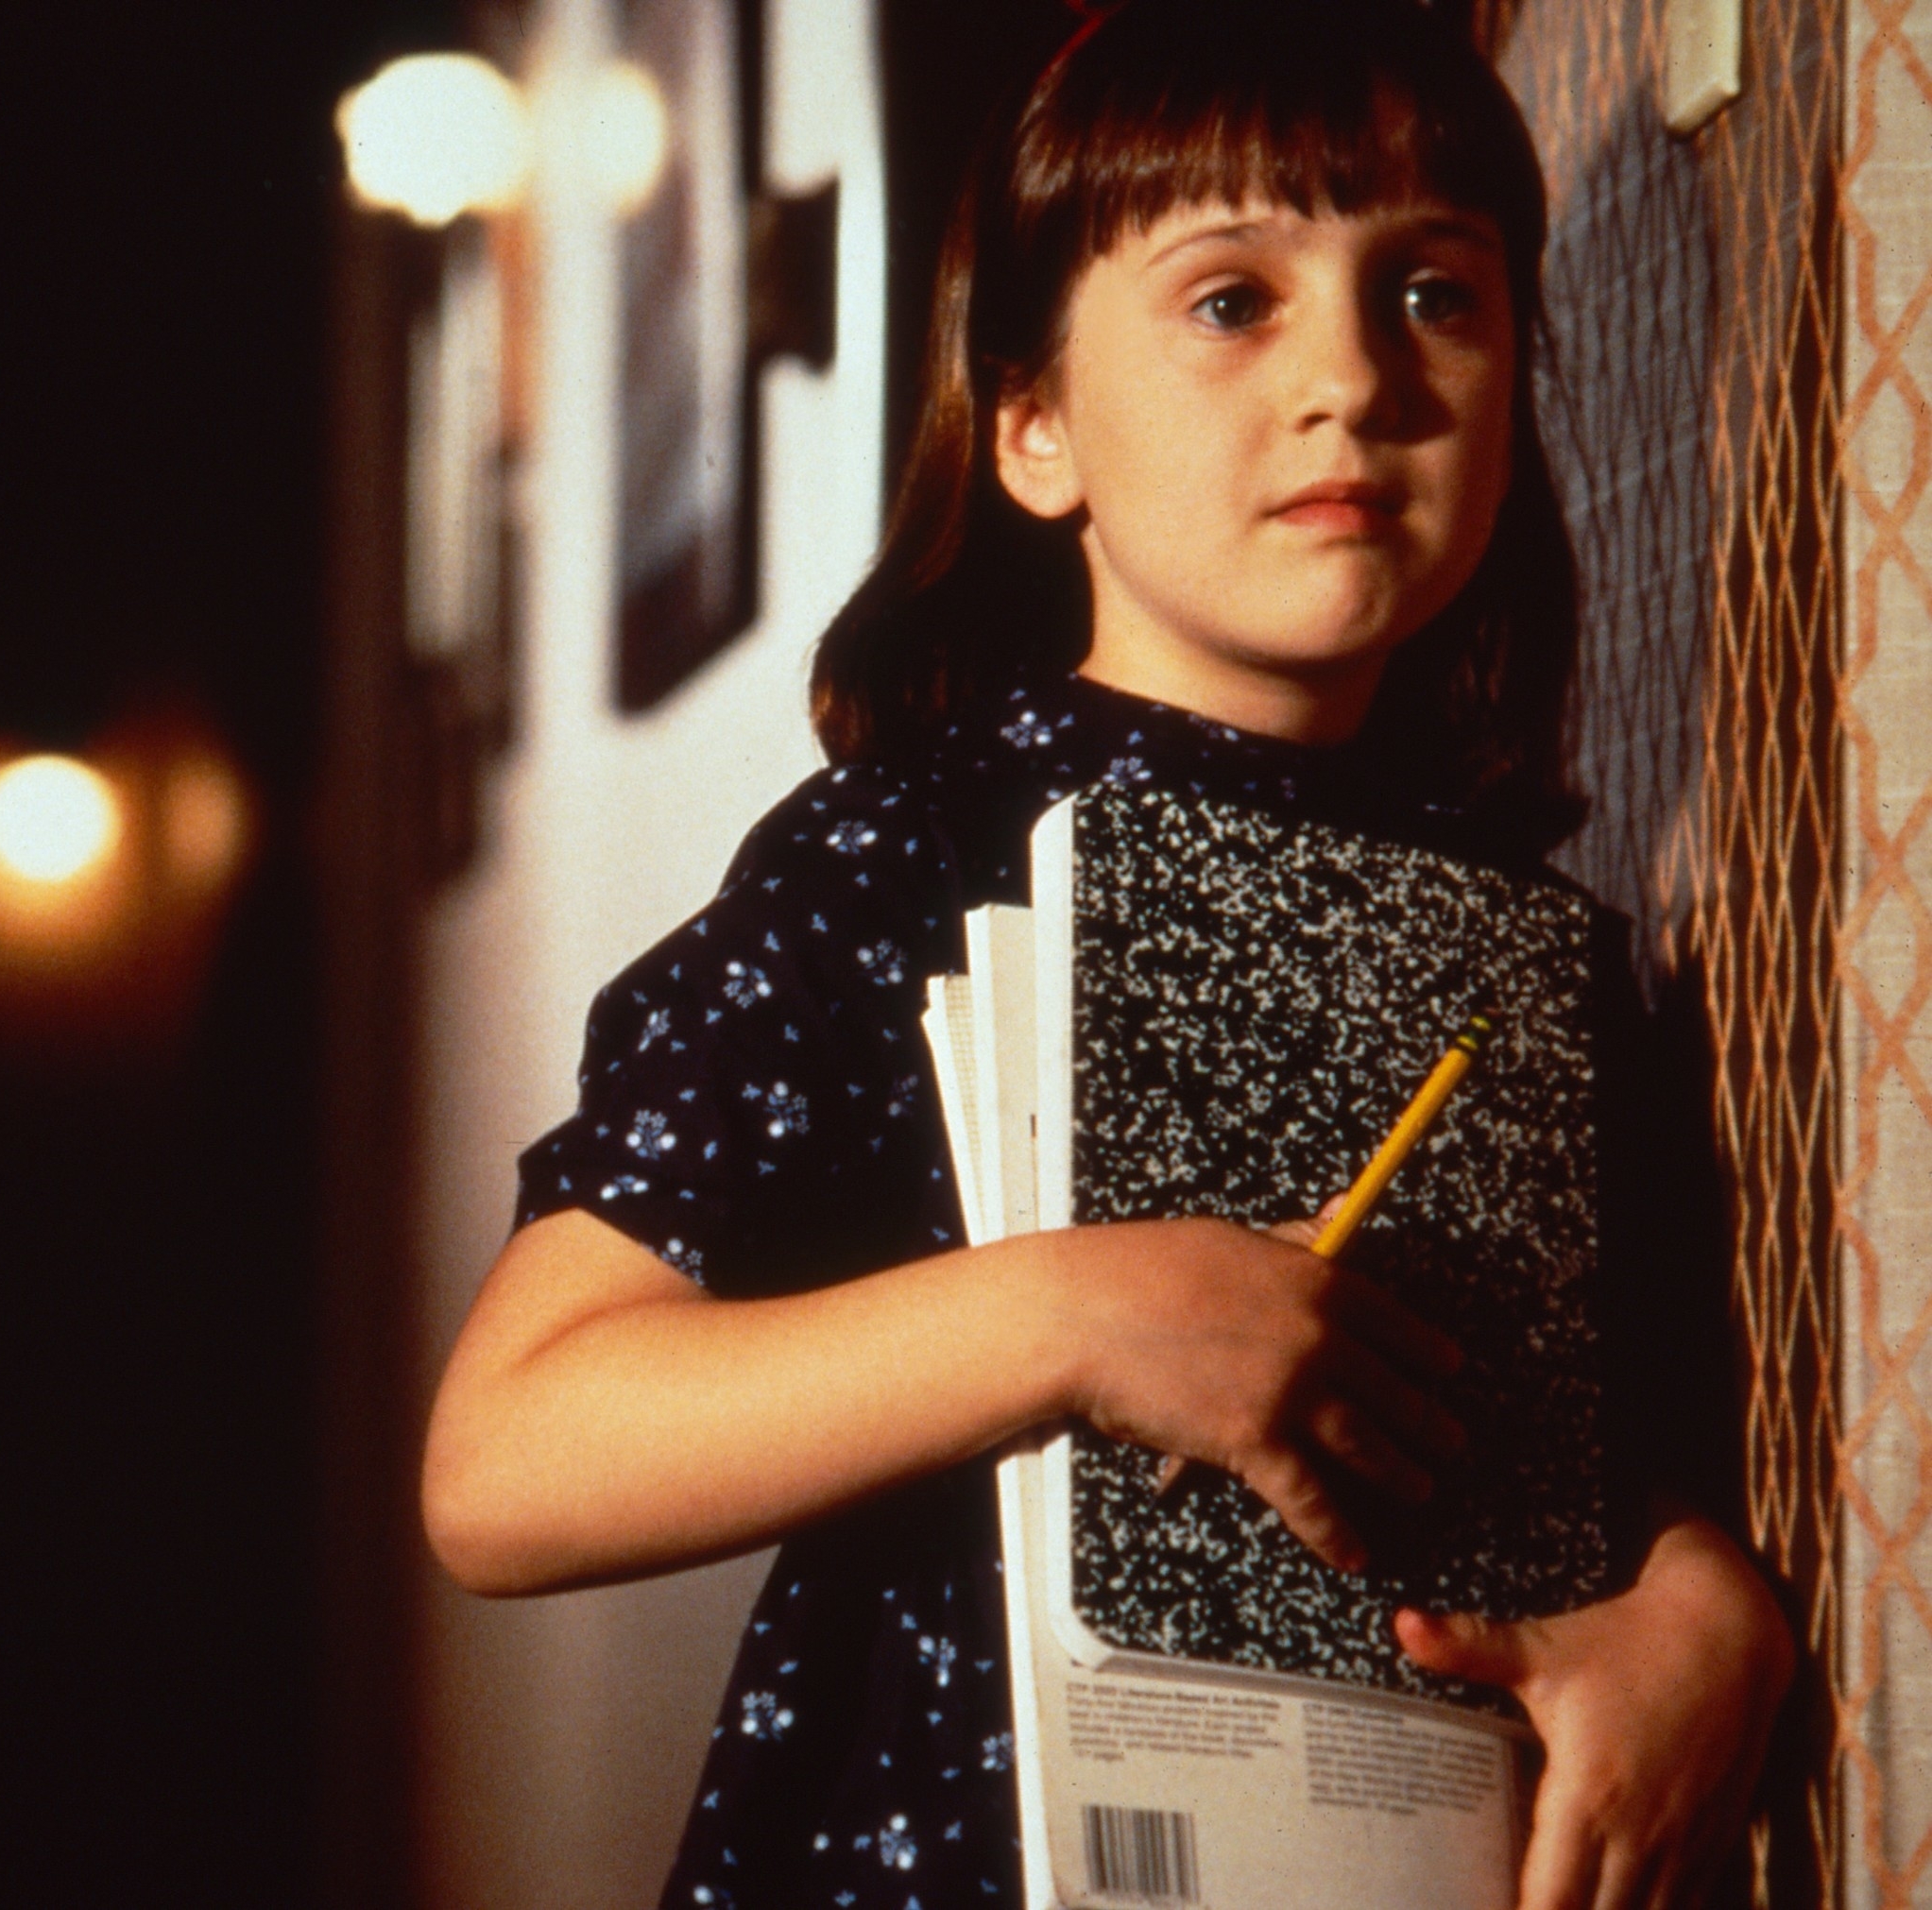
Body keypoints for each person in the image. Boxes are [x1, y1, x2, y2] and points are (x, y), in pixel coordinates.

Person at [421, 0, 1798, 1904]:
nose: (1354, 378)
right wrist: (1077, 1317)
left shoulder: (1536, 954)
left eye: (1434, 294)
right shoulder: (900, 860)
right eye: (1233, 300)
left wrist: (1705, 1603)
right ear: (1035, 427)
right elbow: (506, 1465)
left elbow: (1541, 1452)